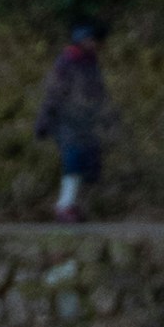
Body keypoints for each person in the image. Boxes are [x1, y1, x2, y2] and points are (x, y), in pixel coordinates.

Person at [35, 17, 110, 220]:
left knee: (89, 163)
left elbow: (98, 92)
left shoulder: (91, 62)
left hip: (84, 120)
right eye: (92, 39)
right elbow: (54, 93)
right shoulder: (67, 61)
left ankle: (72, 204)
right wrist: (44, 121)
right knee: (74, 160)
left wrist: (105, 116)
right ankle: (64, 206)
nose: (95, 44)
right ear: (82, 39)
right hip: (65, 120)